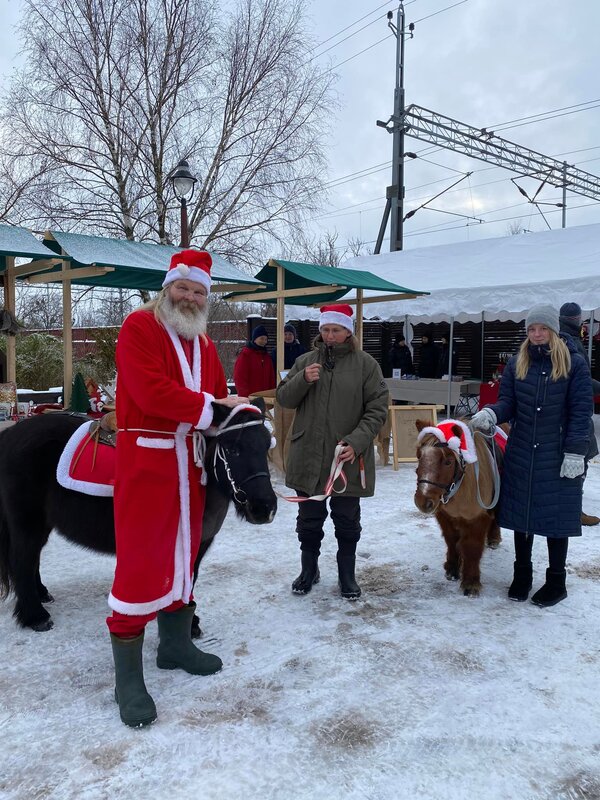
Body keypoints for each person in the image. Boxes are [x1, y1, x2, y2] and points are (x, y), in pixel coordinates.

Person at [107, 249, 249, 728]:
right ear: (167, 288)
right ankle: (127, 678)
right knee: (142, 560)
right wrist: (215, 408)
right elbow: (148, 390)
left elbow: (213, 394)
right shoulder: (138, 328)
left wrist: (233, 412)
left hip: (189, 466)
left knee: (184, 555)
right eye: (183, 288)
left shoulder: (204, 344)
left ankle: (174, 644)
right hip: (147, 460)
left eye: (199, 291)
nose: (189, 297)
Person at [471, 304, 593, 608]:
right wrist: (491, 412)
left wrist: (576, 451)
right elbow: (508, 403)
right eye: (532, 329)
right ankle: (522, 575)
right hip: (523, 450)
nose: (537, 335)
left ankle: (556, 581)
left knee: (555, 517)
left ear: (553, 330)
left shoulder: (574, 365)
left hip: (558, 453)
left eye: (543, 329)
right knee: (522, 517)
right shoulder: (517, 364)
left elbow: (581, 412)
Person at [276, 304, 388, 600]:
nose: (329, 336)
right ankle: (309, 569)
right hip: (308, 453)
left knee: (347, 519)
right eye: (325, 330)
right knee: (309, 518)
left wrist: (357, 441)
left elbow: (377, 409)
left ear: (348, 331)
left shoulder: (366, 365)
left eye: (335, 330)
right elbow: (284, 398)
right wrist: (303, 379)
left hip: (347, 456)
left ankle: (346, 574)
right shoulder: (305, 361)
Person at [559, 301, 600, 526]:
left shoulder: (564, 338)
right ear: (577, 320)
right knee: (578, 460)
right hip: (574, 410)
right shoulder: (569, 341)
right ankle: (573, 510)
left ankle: (571, 507)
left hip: (569, 409)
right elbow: (579, 378)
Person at [234, 324, 276, 397]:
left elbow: (271, 379)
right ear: (255, 339)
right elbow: (239, 378)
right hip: (250, 398)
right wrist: (245, 396)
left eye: (266, 339)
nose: (264, 341)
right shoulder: (245, 355)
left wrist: (271, 394)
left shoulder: (267, 357)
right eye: (262, 338)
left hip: (266, 399)